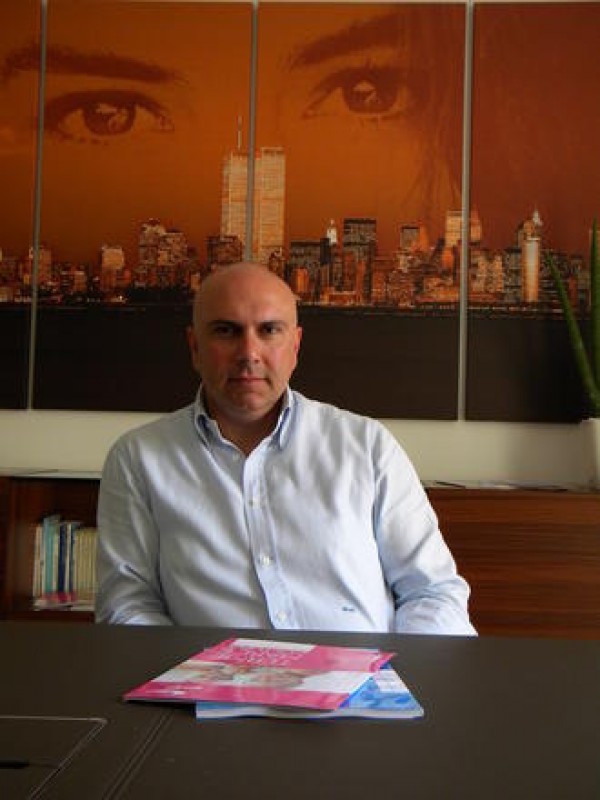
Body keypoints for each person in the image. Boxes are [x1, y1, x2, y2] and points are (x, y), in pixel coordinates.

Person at [96, 261, 476, 635]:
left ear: (295, 346)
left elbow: (433, 593)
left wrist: (400, 672)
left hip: (360, 675)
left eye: (269, 330)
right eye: (226, 331)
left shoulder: (367, 447)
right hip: (208, 676)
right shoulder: (138, 460)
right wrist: (187, 673)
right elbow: (126, 606)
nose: (249, 353)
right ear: (194, 347)